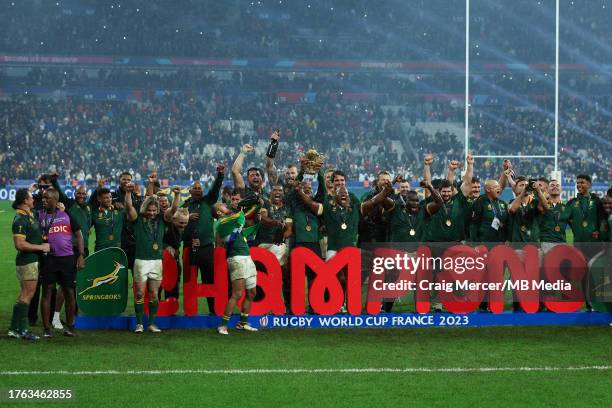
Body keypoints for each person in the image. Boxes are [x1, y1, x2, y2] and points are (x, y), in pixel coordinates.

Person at [38, 188, 85, 338]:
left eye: (47, 198)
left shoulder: (66, 214)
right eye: (43, 198)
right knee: (46, 293)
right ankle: (46, 329)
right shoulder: (39, 215)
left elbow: (79, 235)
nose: (44, 200)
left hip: (67, 259)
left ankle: (70, 327)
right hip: (48, 259)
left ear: (56, 200)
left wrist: (81, 255)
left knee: (69, 292)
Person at [182, 165, 225, 315]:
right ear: (190, 191)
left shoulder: (208, 201)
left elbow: (215, 190)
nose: (199, 190)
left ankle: (214, 310)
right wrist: (187, 217)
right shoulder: (185, 206)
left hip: (206, 248)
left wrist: (220, 175)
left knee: (209, 280)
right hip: (189, 247)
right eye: (196, 188)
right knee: (189, 281)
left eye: (200, 188)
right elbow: (177, 224)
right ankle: (189, 310)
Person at [9, 189, 50, 341]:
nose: (33, 199)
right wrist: (41, 247)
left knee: (24, 294)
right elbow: (19, 244)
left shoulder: (28, 215)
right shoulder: (20, 218)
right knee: (28, 294)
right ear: (25, 201)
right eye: (31, 197)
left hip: (29, 260)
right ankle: (23, 330)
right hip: (27, 261)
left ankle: (14, 328)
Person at [126, 188, 168, 333]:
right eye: (149, 210)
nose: (151, 213)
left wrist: (176, 195)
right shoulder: (138, 220)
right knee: (139, 293)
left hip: (156, 261)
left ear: (157, 210)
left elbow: (174, 209)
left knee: (154, 294)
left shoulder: (162, 220)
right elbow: (128, 207)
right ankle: (139, 324)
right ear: (145, 208)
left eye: (154, 210)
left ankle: (151, 323)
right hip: (141, 261)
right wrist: (127, 193)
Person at [214, 203, 259, 335]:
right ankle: (223, 325)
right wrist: (243, 206)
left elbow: (242, 227)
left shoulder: (231, 224)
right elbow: (240, 216)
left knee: (252, 293)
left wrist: (257, 208)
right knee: (237, 294)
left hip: (247, 257)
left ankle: (243, 323)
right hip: (236, 259)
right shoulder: (221, 223)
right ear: (218, 212)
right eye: (222, 206)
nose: (225, 206)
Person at [52, 183, 92, 330]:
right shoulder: (69, 205)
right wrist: (55, 181)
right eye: (78, 193)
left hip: (83, 249)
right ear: (74, 194)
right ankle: (55, 317)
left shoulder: (88, 208)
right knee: (65, 284)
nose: (81, 196)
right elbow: (60, 194)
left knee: (74, 284)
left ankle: (71, 317)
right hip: (70, 249)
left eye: (83, 194)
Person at [257, 183, 293, 310]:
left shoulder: (287, 209)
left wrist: (283, 236)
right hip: (263, 244)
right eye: (275, 190)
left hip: (278, 244)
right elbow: (263, 218)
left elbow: (289, 229)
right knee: (262, 275)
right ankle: (262, 304)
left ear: (283, 194)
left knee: (284, 274)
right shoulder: (265, 204)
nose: (277, 192)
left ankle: (287, 305)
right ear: (271, 192)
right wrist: (276, 222)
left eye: (280, 190)